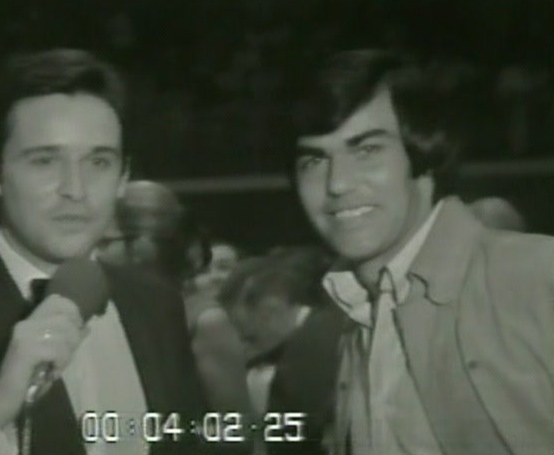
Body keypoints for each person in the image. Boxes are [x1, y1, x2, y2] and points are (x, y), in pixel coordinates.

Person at [0, 49, 210, 455]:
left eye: (99, 162)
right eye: (45, 161)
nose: (75, 190)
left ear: (124, 177)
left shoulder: (158, 306)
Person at [290, 49, 554, 455]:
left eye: (367, 150)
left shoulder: (537, 278)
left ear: (427, 156)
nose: (337, 183)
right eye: (314, 159)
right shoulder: (357, 313)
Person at [218, 248, 344, 455]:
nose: (245, 352)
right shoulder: (339, 325)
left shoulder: (299, 364)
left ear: (270, 309)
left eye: (249, 338)